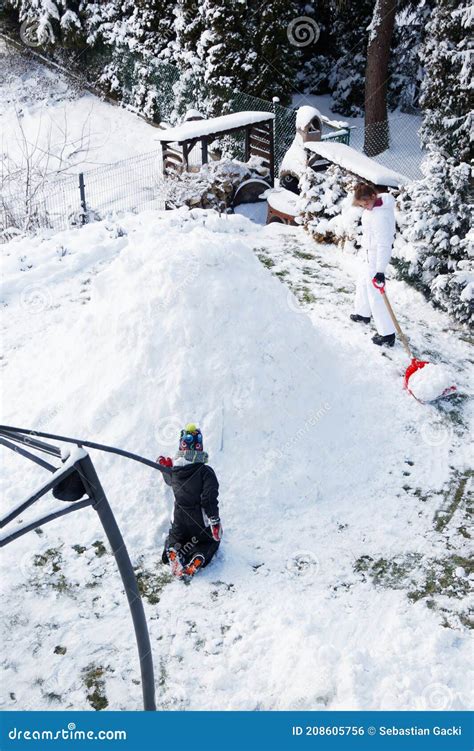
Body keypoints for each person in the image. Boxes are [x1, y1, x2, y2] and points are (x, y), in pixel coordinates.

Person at [158, 423, 222, 581]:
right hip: (199, 520)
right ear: (200, 448)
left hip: (180, 518)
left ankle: (173, 550)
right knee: (211, 542)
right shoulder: (205, 472)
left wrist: (164, 469)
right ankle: (198, 557)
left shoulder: (175, 471)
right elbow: (208, 498)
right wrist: (214, 520)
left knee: (175, 537)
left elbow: (169, 481)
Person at [351, 182, 397, 347]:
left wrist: (380, 270)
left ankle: (387, 333)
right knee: (362, 284)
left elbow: (384, 245)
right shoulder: (373, 208)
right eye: (363, 206)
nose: (366, 208)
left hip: (377, 256)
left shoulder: (381, 216)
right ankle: (363, 313)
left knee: (376, 295)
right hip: (368, 252)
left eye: (367, 204)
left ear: (373, 196)